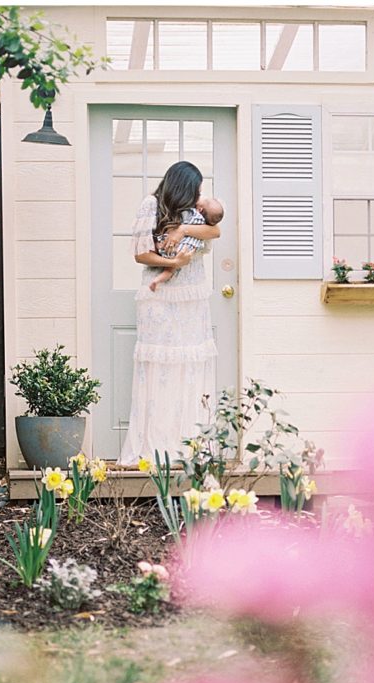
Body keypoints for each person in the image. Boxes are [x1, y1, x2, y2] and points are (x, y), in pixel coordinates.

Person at [118, 161, 221, 467]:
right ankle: (157, 445)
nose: (199, 194)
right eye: (195, 188)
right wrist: (174, 265)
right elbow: (140, 253)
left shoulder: (195, 214)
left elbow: (215, 229)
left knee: (189, 365)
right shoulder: (151, 205)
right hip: (159, 299)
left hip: (191, 301)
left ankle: (188, 444)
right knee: (161, 370)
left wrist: (183, 230)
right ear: (182, 187)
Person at [149, 196, 224, 293]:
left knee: (162, 243)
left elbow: (216, 232)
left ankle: (159, 248)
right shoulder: (205, 221)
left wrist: (182, 229)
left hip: (171, 245)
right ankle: (157, 280)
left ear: (200, 209)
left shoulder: (191, 213)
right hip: (183, 251)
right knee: (169, 271)